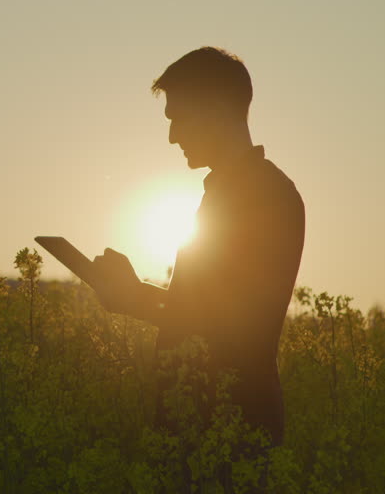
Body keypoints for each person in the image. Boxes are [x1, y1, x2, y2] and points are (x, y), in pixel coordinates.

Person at [90, 47, 305, 448]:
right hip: (197, 427)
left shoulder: (266, 196)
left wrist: (134, 296)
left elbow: (235, 327)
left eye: (179, 119)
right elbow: (205, 312)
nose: (173, 137)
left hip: (231, 430)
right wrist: (132, 295)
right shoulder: (227, 194)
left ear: (216, 108)